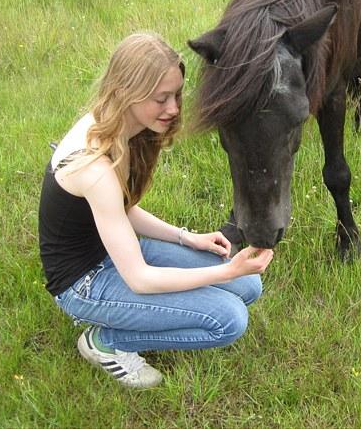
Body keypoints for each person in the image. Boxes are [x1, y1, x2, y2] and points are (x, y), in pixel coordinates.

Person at [38, 32, 274, 389]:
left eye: (176, 94)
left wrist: (186, 238)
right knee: (230, 320)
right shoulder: (94, 166)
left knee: (249, 284)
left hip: (113, 251)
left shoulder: (121, 126)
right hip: (84, 283)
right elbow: (141, 279)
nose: (174, 109)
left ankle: (126, 325)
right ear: (126, 92)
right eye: (161, 98)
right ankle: (106, 343)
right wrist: (223, 275)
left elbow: (122, 209)